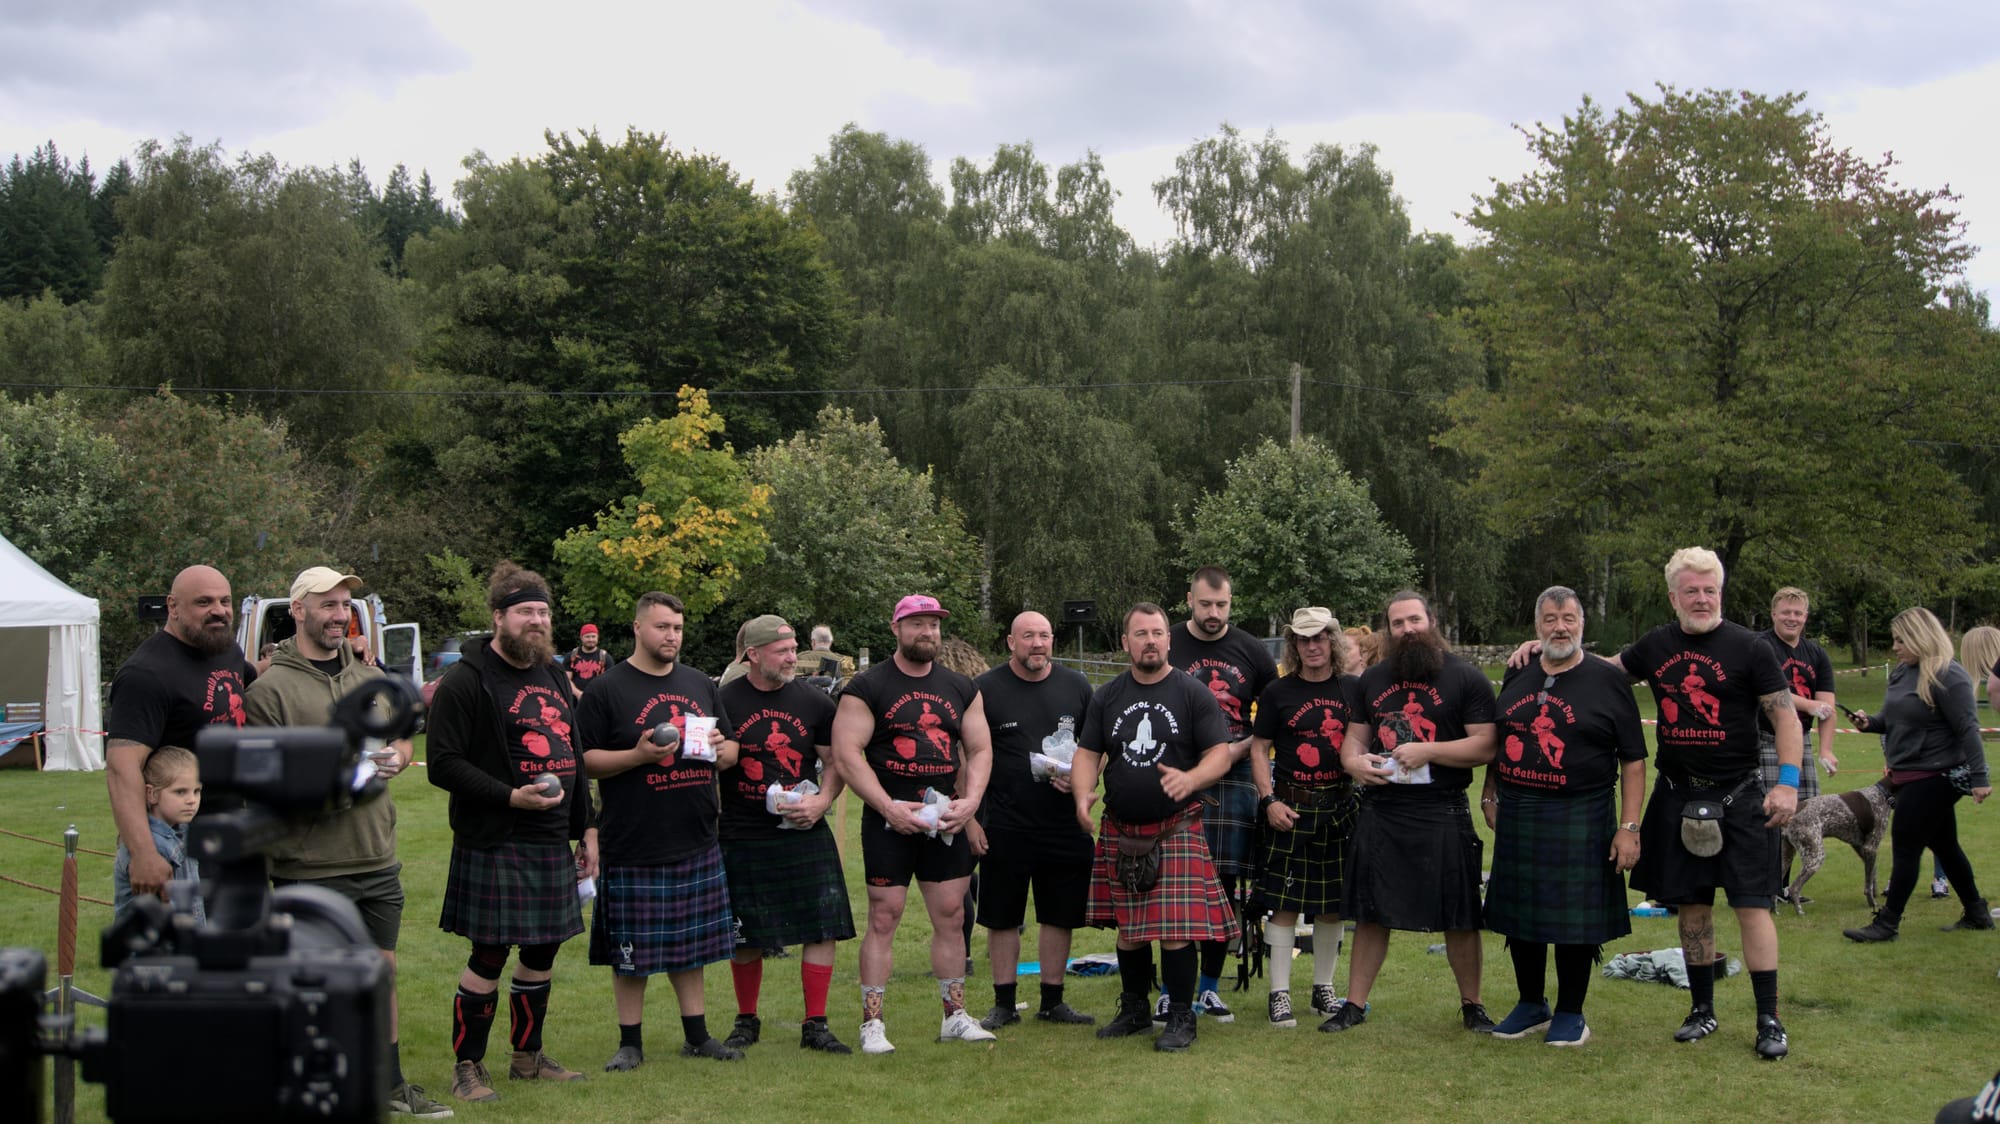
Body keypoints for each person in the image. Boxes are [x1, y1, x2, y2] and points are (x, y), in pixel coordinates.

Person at [1511, 548, 1802, 1057]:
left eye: (1710, 590)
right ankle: (1702, 1010)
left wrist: (1789, 782)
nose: (1702, 598)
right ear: (1674, 596)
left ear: (1721, 593)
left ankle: (1768, 1018)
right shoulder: (1656, 645)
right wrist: (1546, 646)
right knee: (1691, 908)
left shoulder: (1751, 648)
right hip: (1677, 793)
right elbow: (1594, 670)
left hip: (1740, 792)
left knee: (1752, 907)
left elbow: (1785, 718)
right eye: (1691, 590)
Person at [243, 566, 444, 1119]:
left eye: (344, 607)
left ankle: (389, 1083)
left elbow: (400, 729)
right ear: (299, 610)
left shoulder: (365, 679)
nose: (338, 615)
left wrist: (399, 756)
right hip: (309, 861)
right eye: (328, 604)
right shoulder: (270, 690)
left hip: (376, 852)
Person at [426, 563, 598, 1103]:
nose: (537, 620)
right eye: (525, 611)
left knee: (544, 949)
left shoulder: (551, 674)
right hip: (497, 835)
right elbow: (443, 763)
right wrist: (510, 796)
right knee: (490, 952)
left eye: (544, 612)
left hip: (551, 837)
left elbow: (573, 754)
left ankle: (527, 1057)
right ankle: (467, 1065)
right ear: (498, 616)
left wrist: (587, 828)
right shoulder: (467, 680)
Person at [578, 592, 742, 1068]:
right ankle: (630, 1043)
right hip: (633, 838)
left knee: (690, 948)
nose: (671, 636)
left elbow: (732, 752)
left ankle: (698, 1035)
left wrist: (717, 747)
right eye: (662, 627)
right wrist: (637, 756)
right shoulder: (607, 690)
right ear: (637, 628)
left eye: (677, 627)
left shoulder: (698, 683)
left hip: (695, 834)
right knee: (631, 952)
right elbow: (583, 762)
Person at [1480, 587, 1647, 1047]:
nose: (1560, 627)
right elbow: (1503, 737)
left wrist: (1629, 828)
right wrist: (1490, 791)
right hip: (1519, 810)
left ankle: (1571, 1011)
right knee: (1521, 912)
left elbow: (1634, 760)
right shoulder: (1518, 672)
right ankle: (1531, 1003)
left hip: (1584, 812)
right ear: (1537, 627)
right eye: (1551, 619)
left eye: (1569, 618)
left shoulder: (1606, 680)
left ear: (1582, 625)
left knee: (1576, 920)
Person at [831, 594, 994, 1054]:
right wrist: (887, 807)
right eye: (917, 624)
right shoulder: (868, 686)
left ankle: (955, 1016)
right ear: (896, 628)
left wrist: (972, 802)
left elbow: (979, 749)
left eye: (934, 625)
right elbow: (847, 754)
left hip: (944, 816)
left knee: (952, 915)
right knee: (884, 916)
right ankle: (872, 1023)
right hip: (890, 820)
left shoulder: (961, 687)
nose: (927, 632)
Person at [1329, 590, 1498, 1033]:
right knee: (1370, 911)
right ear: (1388, 629)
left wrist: (1430, 751)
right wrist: (1353, 763)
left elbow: (1486, 744)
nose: (1407, 630)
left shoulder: (1466, 678)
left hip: (1442, 808)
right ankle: (1354, 1004)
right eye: (1398, 623)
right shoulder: (1374, 679)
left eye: (1414, 620)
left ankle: (1473, 1005)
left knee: (1459, 914)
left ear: (1432, 620)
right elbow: (1354, 740)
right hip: (1383, 807)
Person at [1073, 603, 1237, 1052]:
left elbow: (1220, 753)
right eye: (1140, 633)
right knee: (1129, 928)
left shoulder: (1191, 692)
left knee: (1176, 928)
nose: (1150, 640)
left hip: (1175, 826)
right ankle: (1135, 1010)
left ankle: (1182, 1016)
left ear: (1169, 640)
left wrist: (1192, 778)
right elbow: (1089, 753)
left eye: (1158, 632)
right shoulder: (1107, 696)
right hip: (1122, 828)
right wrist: (1082, 793)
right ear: (1125, 642)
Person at [716, 614, 857, 1054]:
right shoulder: (723, 699)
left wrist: (822, 802)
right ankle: (746, 1020)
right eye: (782, 651)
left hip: (804, 829)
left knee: (821, 926)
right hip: (742, 831)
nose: (793, 658)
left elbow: (837, 760)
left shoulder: (814, 701)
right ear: (753, 655)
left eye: (794, 649)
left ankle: (815, 1023)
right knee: (745, 932)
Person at [972, 611, 1098, 1030]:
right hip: (1005, 822)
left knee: (1060, 914)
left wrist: (1083, 784)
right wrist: (971, 815)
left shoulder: (1076, 686)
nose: (1038, 644)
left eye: (1044, 636)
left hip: (1064, 823)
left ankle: (1053, 1000)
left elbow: (1095, 749)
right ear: (1011, 642)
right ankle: (1003, 1002)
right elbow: (967, 754)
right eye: (1029, 636)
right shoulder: (986, 689)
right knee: (1003, 915)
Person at [105, 564, 253, 906]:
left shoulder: (224, 650)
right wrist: (143, 853)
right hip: (176, 843)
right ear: (173, 607)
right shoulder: (146, 674)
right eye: (204, 602)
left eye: (225, 601)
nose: (219, 611)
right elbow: (121, 768)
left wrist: (349, 650)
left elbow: (253, 674)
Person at [1166, 565, 1277, 1020]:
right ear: (1188, 599)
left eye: (1222, 605)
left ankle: (1209, 987)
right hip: (1179, 771)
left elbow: (1273, 719)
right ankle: (1172, 988)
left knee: (1223, 884)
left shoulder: (1252, 651)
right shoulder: (1167, 640)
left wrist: (1236, 752)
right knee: (1172, 881)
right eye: (1205, 604)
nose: (1214, 613)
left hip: (1234, 777)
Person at [1843, 607, 1992, 941]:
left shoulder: (1947, 674)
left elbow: (1968, 727)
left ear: (1920, 638)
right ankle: (1977, 912)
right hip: (1909, 772)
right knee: (1946, 846)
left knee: (1906, 846)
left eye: (1901, 640)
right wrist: (1870, 724)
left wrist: (1980, 778)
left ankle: (1887, 923)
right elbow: (1896, 719)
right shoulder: (1902, 672)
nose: (1895, 646)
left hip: (1934, 775)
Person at [1247, 606, 1361, 1028]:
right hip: (1291, 809)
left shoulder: (1353, 688)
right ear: (1294, 645)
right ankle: (1279, 994)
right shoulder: (1279, 692)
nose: (1312, 646)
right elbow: (1260, 748)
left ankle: (1323, 989)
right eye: (1303, 639)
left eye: (1320, 638)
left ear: (1333, 640)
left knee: (1333, 906)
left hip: (1340, 809)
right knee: (1284, 904)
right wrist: (1268, 799)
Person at [1758, 588, 1839, 802]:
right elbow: (1767, 693)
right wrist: (1809, 705)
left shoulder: (1817, 654)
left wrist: (1826, 750)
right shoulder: (1760, 647)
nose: (1792, 618)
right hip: (1766, 740)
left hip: (1801, 741)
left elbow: (1827, 707)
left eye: (1797, 613)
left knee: (1807, 815)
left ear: (1805, 617)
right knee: (1770, 812)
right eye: (1786, 612)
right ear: (1773, 614)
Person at [111, 745, 203, 925]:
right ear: (152, 794)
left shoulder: (183, 832)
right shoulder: (155, 847)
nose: (192, 800)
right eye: (180, 792)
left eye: (196, 791)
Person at [566, 624, 612, 695]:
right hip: (574, 701)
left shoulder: (605, 658)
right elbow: (566, 680)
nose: (591, 640)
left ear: (597, 637)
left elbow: (609, 682)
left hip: (597, 699)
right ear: (581, 637)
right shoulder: (571, 656)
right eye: (587, 637)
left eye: (593, 636)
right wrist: (578, 694)